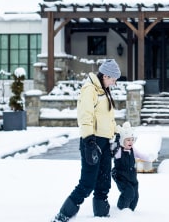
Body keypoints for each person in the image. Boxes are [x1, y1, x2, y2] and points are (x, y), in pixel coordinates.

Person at [51, 60, 121, 222]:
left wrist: (118, 132)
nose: (114, 83)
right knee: (87, 183)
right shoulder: (89, 90)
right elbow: (85, 117)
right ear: (105, 76)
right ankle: (63, 215)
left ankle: (101, 215)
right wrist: (89, 141)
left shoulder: (103, 90)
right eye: (113, 79)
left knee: (104, 182)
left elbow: (107, 119)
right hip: (92, 142)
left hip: (105, 142)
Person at [111, 122, 153, 211]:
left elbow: (141, 155)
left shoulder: (133, 149)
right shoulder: (118, 151)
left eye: (132, 139)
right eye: (128, 140)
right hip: (120, 176)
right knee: (128, 192)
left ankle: (130, 211)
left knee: (135, 196)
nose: (131, 142)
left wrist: (149, 157)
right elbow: (112, 150)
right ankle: (121, 210)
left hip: (132, 176)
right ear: (122, 141)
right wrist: (116, 141)